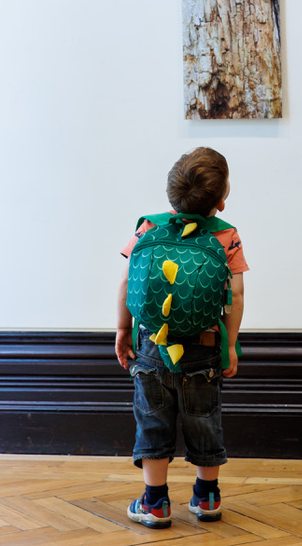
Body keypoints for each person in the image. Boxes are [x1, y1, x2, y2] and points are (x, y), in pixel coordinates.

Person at [115, 146, 247, 529]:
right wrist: (230, 345)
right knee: (204, 420)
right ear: (221, 201)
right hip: (204, 350)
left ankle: (155, 502)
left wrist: (124, 330)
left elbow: (126, 282)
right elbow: (235, 295)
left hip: (153, 347)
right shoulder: (226, 236)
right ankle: (207, 498)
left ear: (171, 194)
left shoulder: (148, 229)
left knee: (153, 422)